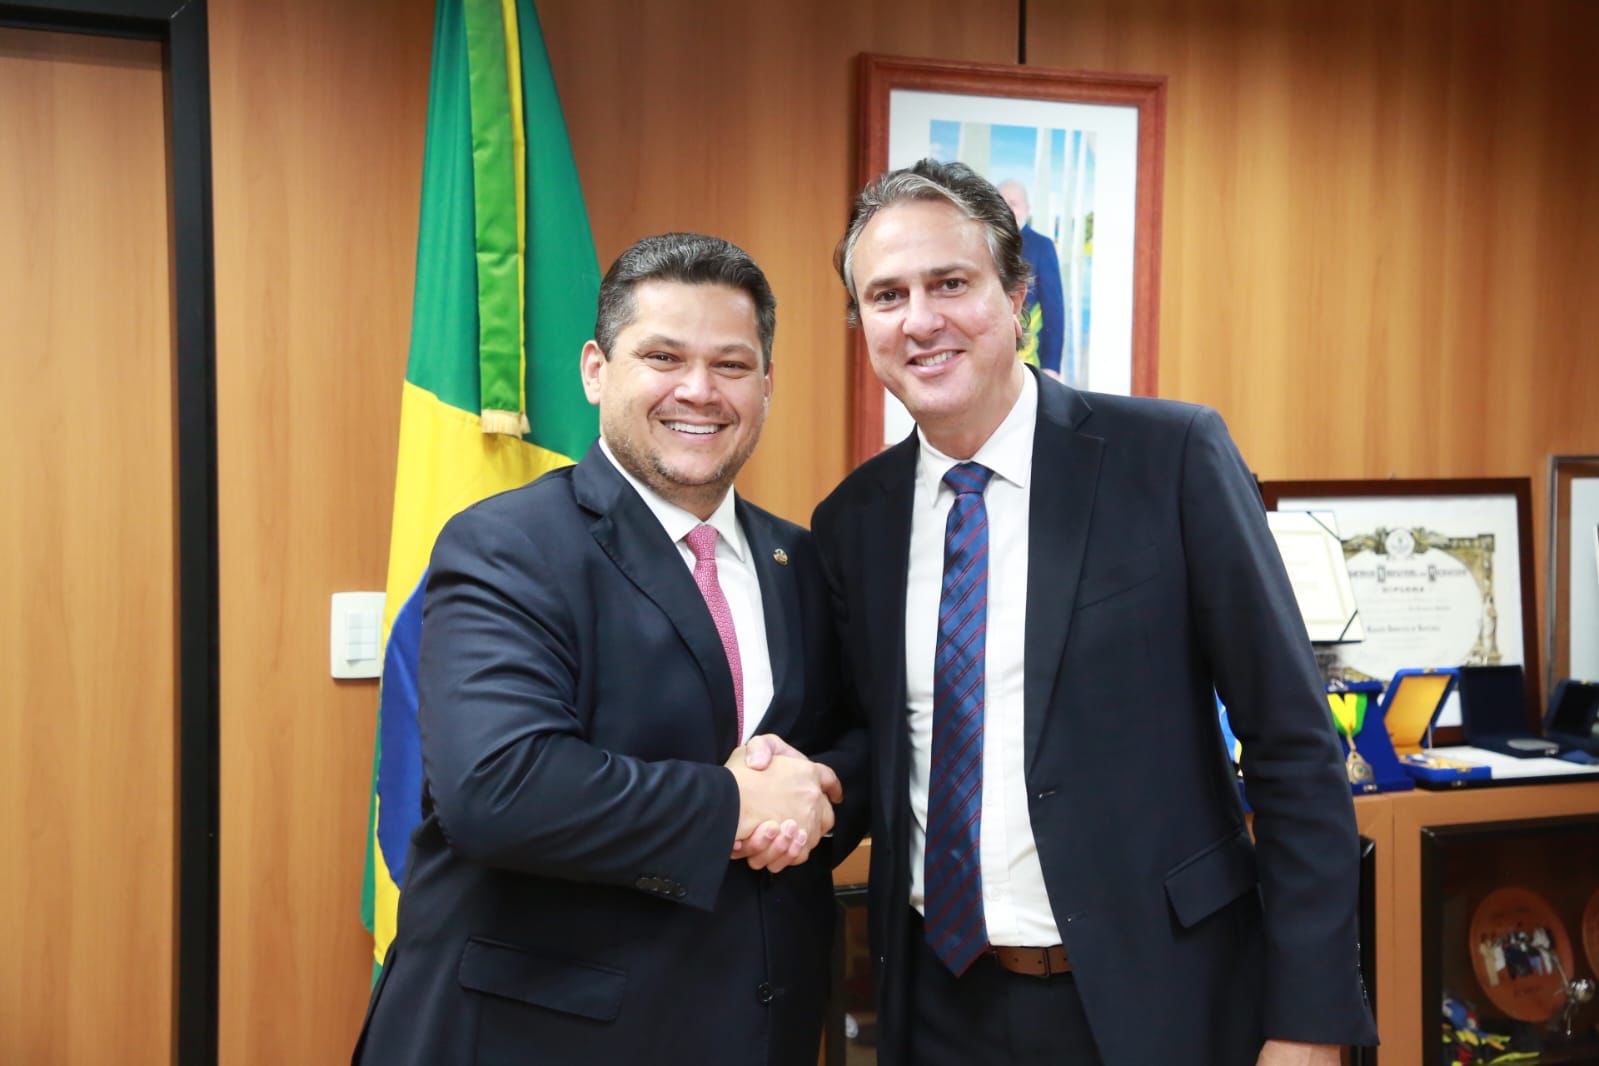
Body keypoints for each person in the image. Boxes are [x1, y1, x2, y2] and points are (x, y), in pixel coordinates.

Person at [812, 160, 1376, 1065]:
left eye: (950, 283)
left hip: (1157, 1000)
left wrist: (1309, 1022)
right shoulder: (852, 522)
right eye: (886, 296)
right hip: (935, 1007)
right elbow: (872, 747)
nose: (919, 320)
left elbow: (1292, 744)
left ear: (1016, 295)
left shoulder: (1170, 458)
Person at [353, 232, 868, 1066]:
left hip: (753, 1028)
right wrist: (733, 804)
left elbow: (854, 741)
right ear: (596, 370)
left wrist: (820, 790)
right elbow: (499, 787)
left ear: (767, 386)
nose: (698, 390)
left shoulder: (801, 558)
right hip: (536, 1039)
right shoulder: (507, 545)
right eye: (663, 357)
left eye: (731, 365)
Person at [997, 179, 1066, 379]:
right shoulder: (983, 245)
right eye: (1001, 203)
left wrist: (1051, 365)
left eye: (1014, 203)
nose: (1007, 209)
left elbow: (1054, 310)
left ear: (1027, 208)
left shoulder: (1042, 246)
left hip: (1029, 358)